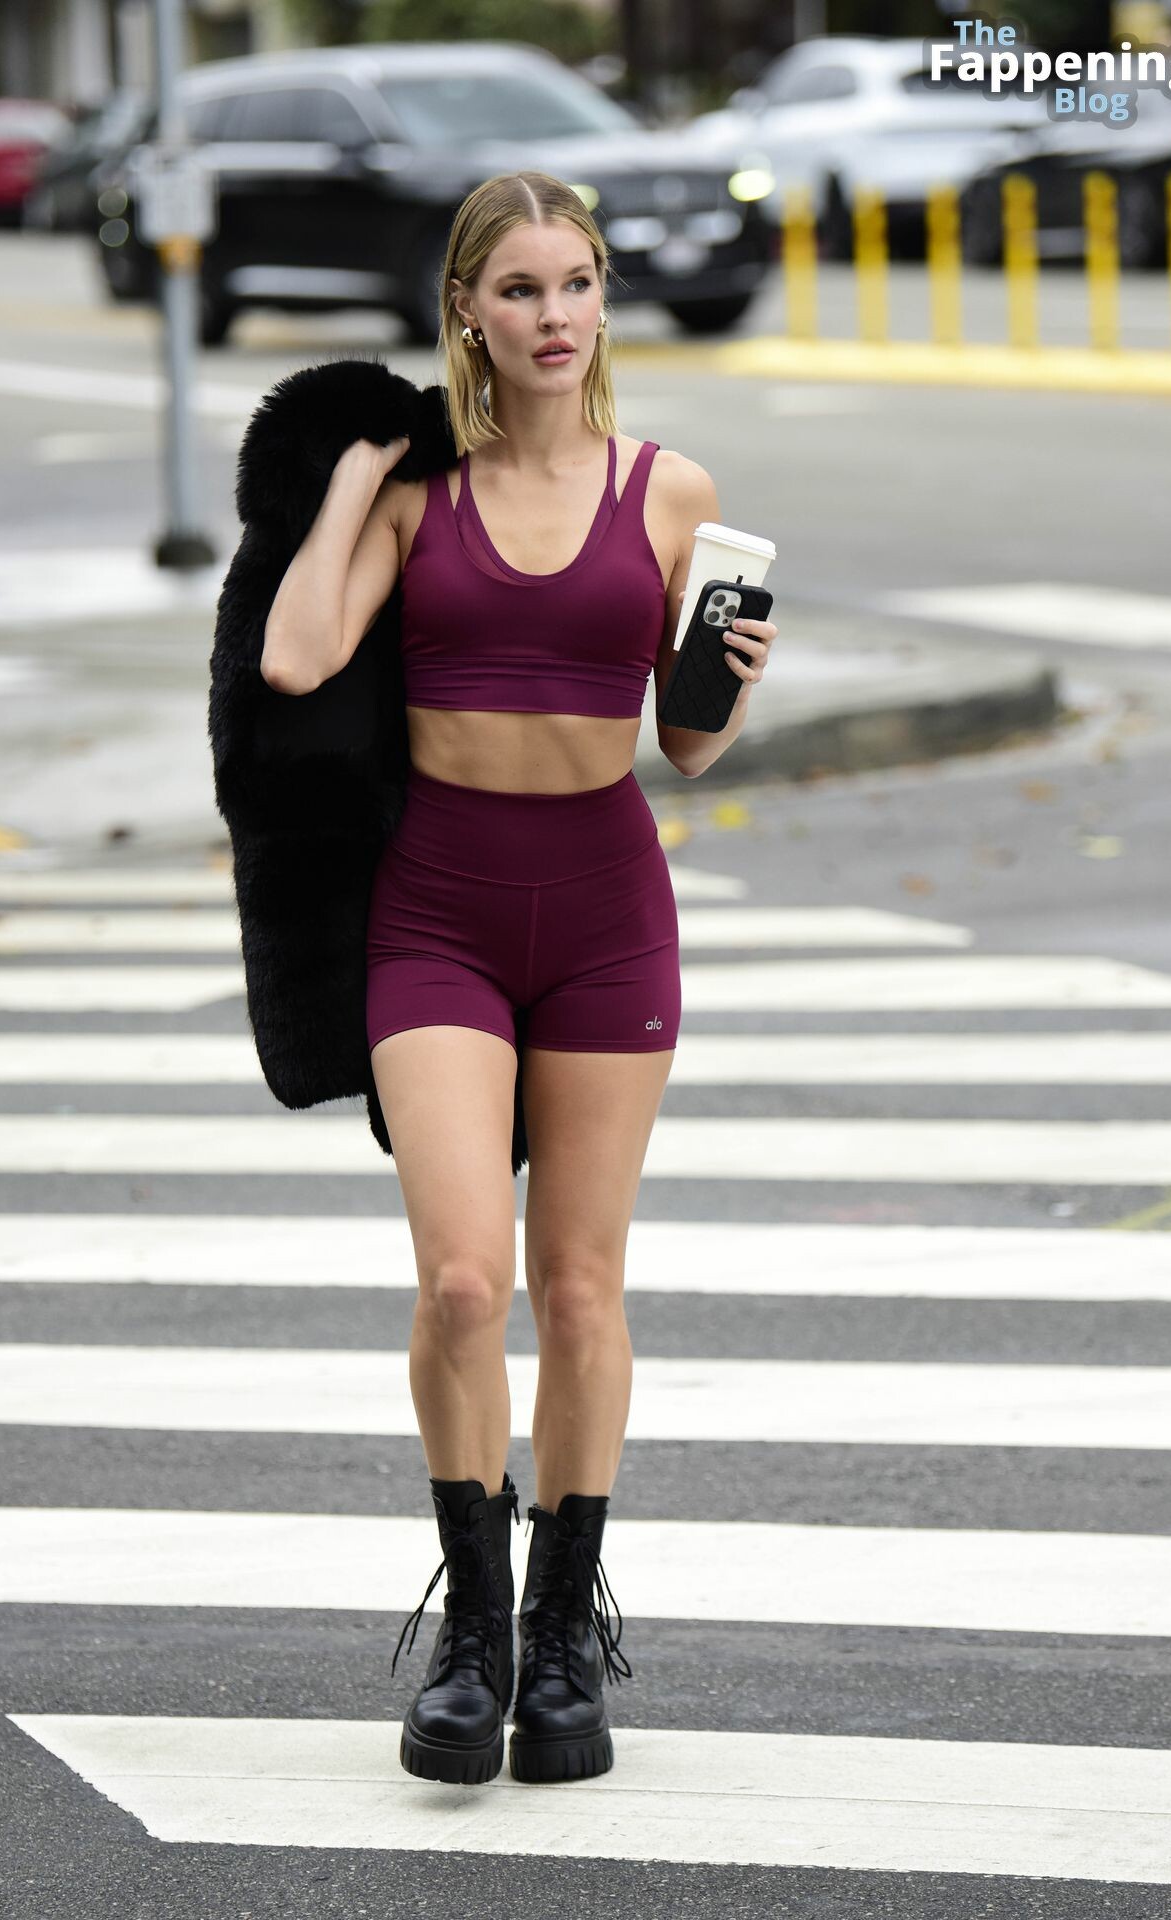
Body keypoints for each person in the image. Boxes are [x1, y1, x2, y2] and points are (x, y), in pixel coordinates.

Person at [260, 169, 776, 1788]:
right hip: (438, 915)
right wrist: (354, 481)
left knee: (579, 1287)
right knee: (462, 1285)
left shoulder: (673, 493)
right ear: (468, 314)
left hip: (607, 910)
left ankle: (560, 1640)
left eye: (577, 285)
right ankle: (470, 1635)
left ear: (602, 300)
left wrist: (732, 680)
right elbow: (294, 654)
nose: (556, 317)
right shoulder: (423, 495)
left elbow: (687, 748)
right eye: (521, 290)